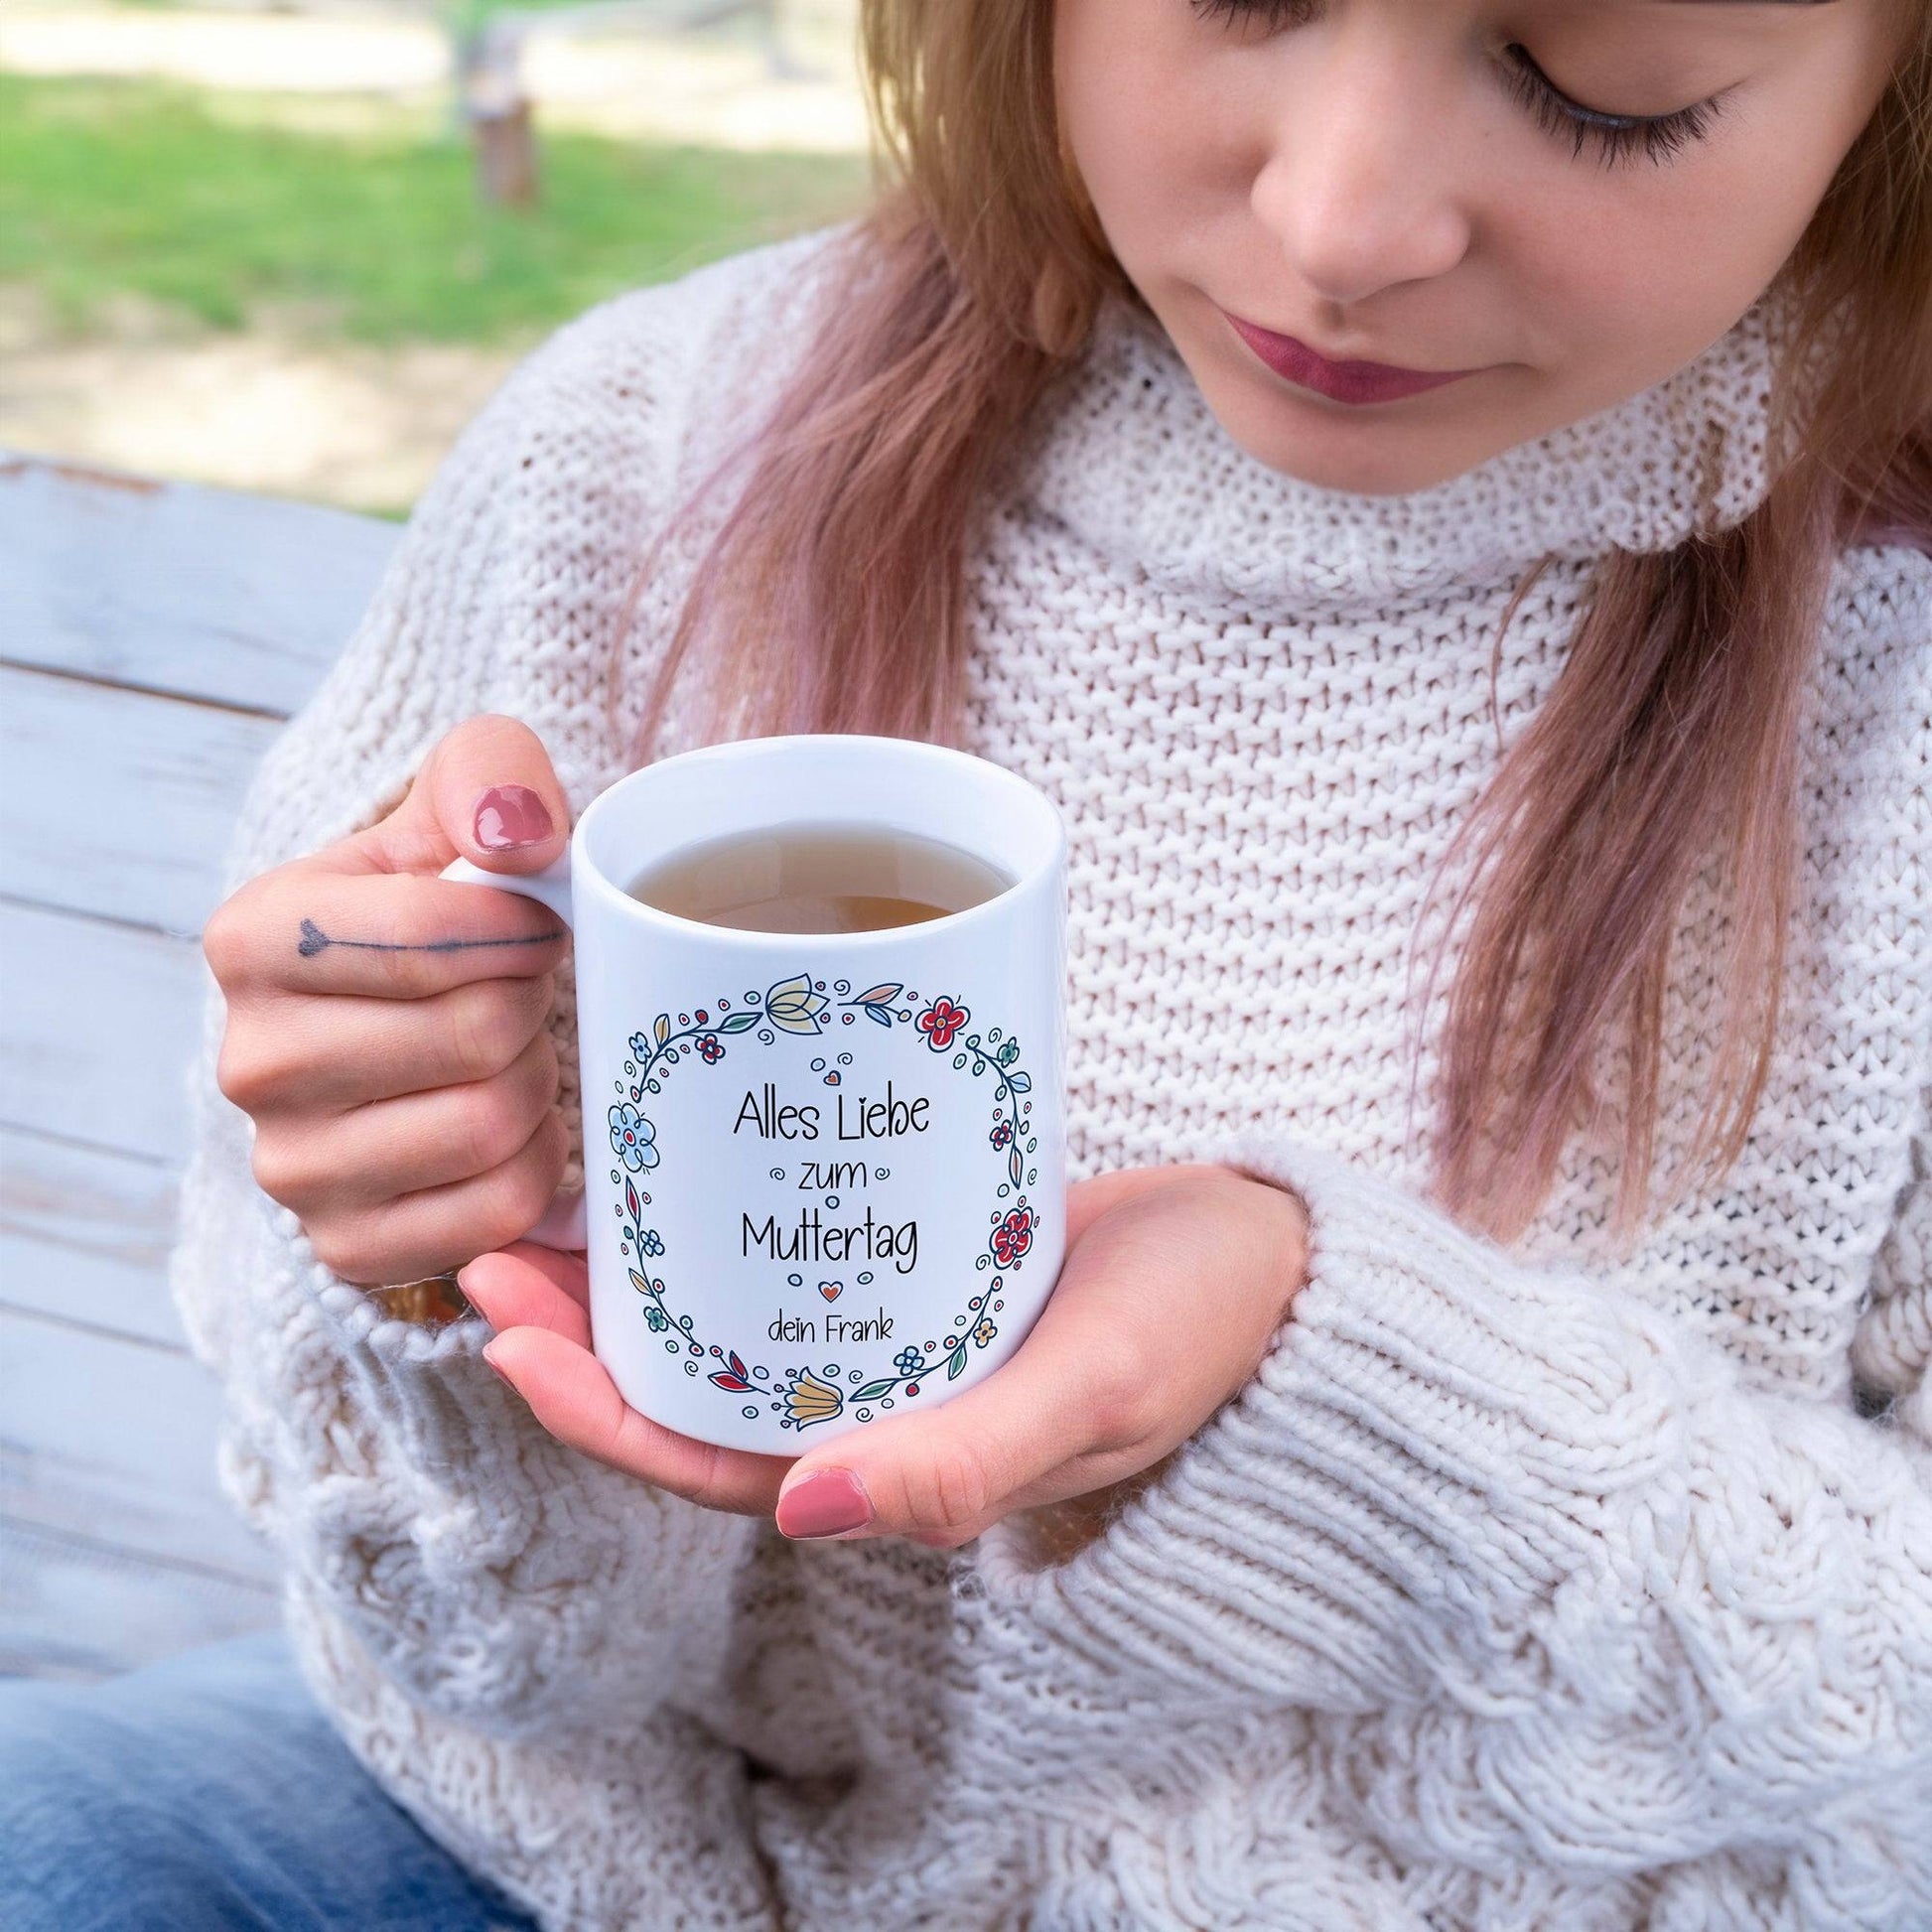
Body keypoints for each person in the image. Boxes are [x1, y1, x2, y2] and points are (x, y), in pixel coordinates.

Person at [5, 0, 1928, 1925]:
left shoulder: (1885, 703)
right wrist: (423, 1251)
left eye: (1604, 96)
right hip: (632, 1852)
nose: (1342, 220)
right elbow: (493, 1665)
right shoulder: (645, 463)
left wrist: (1342, 1410)